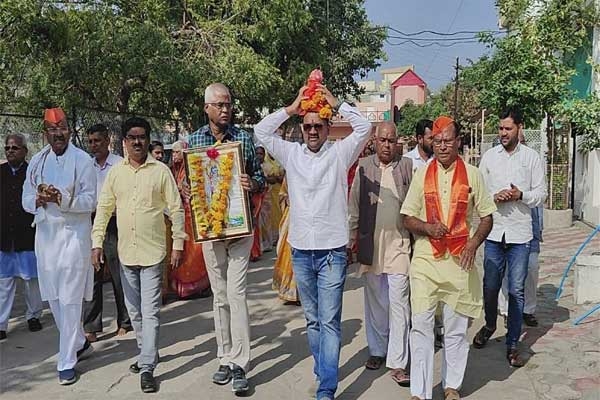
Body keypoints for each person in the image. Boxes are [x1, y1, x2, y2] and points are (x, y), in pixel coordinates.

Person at [254, 82, 371, 400]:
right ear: (301, 128)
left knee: (330, 321)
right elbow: (261, 132)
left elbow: (365, 127)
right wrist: (291, 109)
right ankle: (324, 369)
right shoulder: (291, 154)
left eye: (318, 125)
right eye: (307, 126)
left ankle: (327, 387)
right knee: (313, 319)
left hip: (333, 251)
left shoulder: (339, 153)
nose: (313, 130)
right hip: (302, 252)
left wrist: (336, 103)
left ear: (327, 126)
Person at [400, 116, 496, 400]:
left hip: (459, 261)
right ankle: (419, 392)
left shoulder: (474, 174)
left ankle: (451, 386)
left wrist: (474, 244)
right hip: (426, 260)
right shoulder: (422, 174)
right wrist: (427, 228)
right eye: (437, 141)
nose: (442, 146)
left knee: (455, 329)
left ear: (458, 142)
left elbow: (487, 217)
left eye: (447, 141)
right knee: (421, 326)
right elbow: (407, 216)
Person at [91, 117, 185, 393]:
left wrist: (178, 244)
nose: (137, 141)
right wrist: (97, 244)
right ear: (124, 141)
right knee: (134, 311)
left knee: (150, 310)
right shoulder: (116, 173)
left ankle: (147, 366)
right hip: (125, 254)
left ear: (147, 139)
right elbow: (104, 209)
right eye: (131, 137)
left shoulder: (160, 171)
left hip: (153, 251)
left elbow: (176, 208)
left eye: (142, 136)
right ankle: (148, 352)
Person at [186, 83, 266, 395]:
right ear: (206, 108)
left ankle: (240, 364)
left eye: (228, 104)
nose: (225, 110)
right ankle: (225, 355)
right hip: (211, 230)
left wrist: (251, 183)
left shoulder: (244, 139)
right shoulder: (195, 140)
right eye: (219, 104)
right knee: (219, 296)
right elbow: (190, 184)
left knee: (237, 294)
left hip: (240, 229)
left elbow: (260, 178)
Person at [22, 107, 97, 385]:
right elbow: (25, 197)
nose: (58, 133)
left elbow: (91, 201)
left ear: (69, 130)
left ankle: (66, 360)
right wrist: (38, 201)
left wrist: (62, 199)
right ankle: (78, 341)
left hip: (74, 239)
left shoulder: (83, 160)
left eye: (62, 127)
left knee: (69, 300)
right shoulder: (37, 162)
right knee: (54, 298)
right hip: (46, 239)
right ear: (46, 133)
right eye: (52, 129)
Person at [474, 108, 546, 367]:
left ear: (520, 128)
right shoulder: (489, 157)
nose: (503, 133)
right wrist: (494, 197)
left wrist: (520, 195)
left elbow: (541, 194)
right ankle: (490, 325)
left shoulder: (532, 158)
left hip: (520, 234)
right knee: (490, 286)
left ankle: (513, 342)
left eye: (508, 129)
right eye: (501, 129)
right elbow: (478, 192)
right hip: (493, 231)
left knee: (516, 291)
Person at [348, 121, 413, 385]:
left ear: (397, 141)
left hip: (399, 245)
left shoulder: (407, 167)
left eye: (391, 140)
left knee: (399, 303)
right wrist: (350, 241)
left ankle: (397, 362)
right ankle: (377, 350)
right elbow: (354, 206)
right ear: (374, 141)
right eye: (382, 140)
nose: (387, 145)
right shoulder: (364, 168)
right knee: (376, 302)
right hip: (371, 245)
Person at [83, 124, 131, 342]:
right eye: (90, 141)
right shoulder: (86, 165)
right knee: (92, 274)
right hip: (91, 223)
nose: (94, 145)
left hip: (114, 223)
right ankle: (92, 325)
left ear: (107, 141)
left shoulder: (119, 164)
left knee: (118, 273)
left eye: (98, 141)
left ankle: (125, 321)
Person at [1, 134, 43, 341]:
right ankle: (1, 324)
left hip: (27, 236)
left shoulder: (33, 174)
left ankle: (33, 316)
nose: (10, 151)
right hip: (3, 239)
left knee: (31, 282)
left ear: (25, 151)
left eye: (15, 148)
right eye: (7, 148)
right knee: (4, 283)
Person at [498, 131, 543, 328]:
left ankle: (528, 309)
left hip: (528, 228)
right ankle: (507, 310)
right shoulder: (498, 162)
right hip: (504, 227)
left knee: (531, 268)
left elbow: (540, 195)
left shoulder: (532, 162)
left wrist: (522, 195)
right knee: (507, 272)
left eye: (522, 143)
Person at [169, 140, 210, 298]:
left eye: (178, 151)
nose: (175, 155)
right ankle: (181, 287)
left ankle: (198, 286)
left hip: (194, 217)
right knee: (182, 252)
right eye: (173, 152)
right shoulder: (173, 170)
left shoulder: (194, 168)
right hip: (179, 219)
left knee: (196, 253)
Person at [271, 178, 299, 303]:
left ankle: (301, 293)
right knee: (289, 254)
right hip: (292, 218)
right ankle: (290, 290)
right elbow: (282, 194)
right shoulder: (291, 169)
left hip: (309, 219)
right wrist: (289, 200)